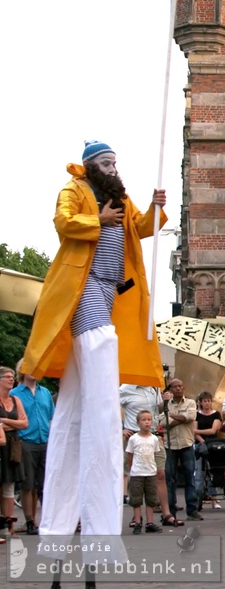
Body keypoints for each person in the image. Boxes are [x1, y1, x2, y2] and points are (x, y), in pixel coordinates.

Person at [21, 141, 166, 552]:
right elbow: (63, 223)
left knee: (89, 368)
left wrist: (155, 209)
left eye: (115, 162)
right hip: (83, 284)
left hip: (112, 287)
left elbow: (139, 229)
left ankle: (94, 399)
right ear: (90, 166)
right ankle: (103, 401)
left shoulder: (121, 196)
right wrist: (97, 219)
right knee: (99, 340)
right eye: (106, 162)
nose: (113, 167)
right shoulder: (74, 189)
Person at [10, 362, 52, 537]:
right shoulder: (15, 394)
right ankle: (29, 521)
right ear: (22, 370)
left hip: (45, 440)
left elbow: (51, 417)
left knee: (44, 484)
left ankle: (48, 521)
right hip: (26, 440)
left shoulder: (45, 392)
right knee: (28, 483)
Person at [158, 378, 200, 521]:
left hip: (186, 443)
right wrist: (181, 418)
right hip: (170, 445)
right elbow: (163, 422)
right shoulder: (165, 405)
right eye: (175, 386)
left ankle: (192, 509)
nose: (178, 389)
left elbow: (191, 416)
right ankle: (171, 510)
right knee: (170, 479)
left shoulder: (190, 402)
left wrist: (172, 417)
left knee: (190, 477)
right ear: (170, 389)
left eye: (180, 386)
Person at [125, 410, 163, 534]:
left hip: (150, 472)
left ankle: (150, 522)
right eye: (144, 420)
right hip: (137, 473)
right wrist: (132, 469)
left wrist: (156, 469)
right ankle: (137, 522)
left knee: (151, 499)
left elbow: (155, 454)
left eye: (149, 419)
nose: (147, 422)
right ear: (138, 423)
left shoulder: (154, 439)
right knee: (136, 499)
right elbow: (130, 455)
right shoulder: (133, 439)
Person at [0, 367, 28, 536]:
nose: (11, 379)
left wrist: (3, 421)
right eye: (7, 377)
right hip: (0, 445)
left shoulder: (15, 399)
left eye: (12, 376)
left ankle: (9, 525)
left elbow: (25, 423)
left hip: (13, 446)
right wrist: (13, 423)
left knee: (9, 486)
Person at [193, 390, 223, 509]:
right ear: (200, 403)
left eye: (209, 401)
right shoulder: (196, 414)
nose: (207, 403)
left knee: (213, 471)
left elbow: (213, 430)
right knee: (199, 472)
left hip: (213, 444)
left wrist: (196, 431)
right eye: (204, 401)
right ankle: (198, 497)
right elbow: (194, 433)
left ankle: (214, 499)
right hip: (200, 444)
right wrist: (202, 440)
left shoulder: (216, 414)